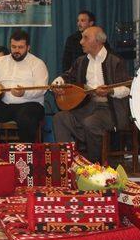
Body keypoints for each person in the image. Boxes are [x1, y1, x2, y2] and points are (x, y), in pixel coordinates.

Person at [52, 26, 130, 163]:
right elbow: (67, 76)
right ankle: (65, 162)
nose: (81, 42)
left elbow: (127, 88)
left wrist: (110, 91)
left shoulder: (115, 61)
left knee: (91, 123)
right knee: (60, 118)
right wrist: (57, 84)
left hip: (109, 108)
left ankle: (95, 164)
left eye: (85, 38)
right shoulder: (81, 61)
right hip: (85, 107)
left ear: (98, 41)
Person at [0, 29, 49, 143]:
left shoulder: (37, 64)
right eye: (14, 47)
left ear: (28, 47)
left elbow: (42, 88)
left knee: (25, 119)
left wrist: (24, 93)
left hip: (31, 104)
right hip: (5, 105)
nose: (16, 50)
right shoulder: (1, 61)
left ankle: (25, 155)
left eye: (21, 47)